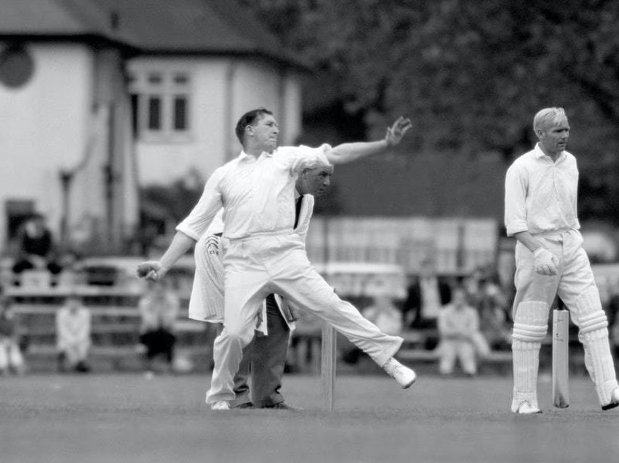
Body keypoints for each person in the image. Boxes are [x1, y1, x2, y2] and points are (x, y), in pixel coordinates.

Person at [138, 108, 416, 410]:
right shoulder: (224, 175)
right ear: (249, 130)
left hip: (285, 254)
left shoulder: (287, 158)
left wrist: (383, 144)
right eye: (268, 124)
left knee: (334, 307)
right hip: (242, 260)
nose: (276, 129)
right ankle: (220, 397)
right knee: (232, 334)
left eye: (276, 125)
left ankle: (390, 362)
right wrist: (163, 264)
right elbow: (193, 225)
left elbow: (335, 154)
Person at [189, 164, 333, 409]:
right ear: (302, 172)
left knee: (279, 318)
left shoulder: (306, 201)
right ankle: (234, 396)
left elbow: (295, 243)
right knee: (240, 321)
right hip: (225, 248)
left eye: (330, 175)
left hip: (264, 255)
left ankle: (268, 397)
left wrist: (290, 290)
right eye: (322, 174)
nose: (327, 182)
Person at [504, 107, 619, 413]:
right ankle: (524, 398)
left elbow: (567, 213)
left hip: (571, 244)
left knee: (594, 318)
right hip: (535, 249)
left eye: (567, 129)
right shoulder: (521, 168)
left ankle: (609, 390)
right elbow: (514, 223)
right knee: (529, 327)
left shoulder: (571, 163)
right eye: (557, 131)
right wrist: (538, 250)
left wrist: (567, 246)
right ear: (539, 133)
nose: (565, 136)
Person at [437, 286, 488, 376]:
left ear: (465, 299)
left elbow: (473, 330)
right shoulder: (444, 311)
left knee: (468, 359)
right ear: (452, 298)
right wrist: (460, 331)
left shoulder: (472, 312)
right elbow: (443, 331)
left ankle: (470, 373)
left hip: (466, 341)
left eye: (461, 298)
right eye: (457, 297)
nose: (459, 300)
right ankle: (445, 372)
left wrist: (456, 332)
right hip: (449, 341)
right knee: (446, 361)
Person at [402, 257, 452, 348]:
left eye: (430, 268)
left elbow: (448, 304)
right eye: (425, 268)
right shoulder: (413, 288)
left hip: (439, 318)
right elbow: (408, 307)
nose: (427, 271)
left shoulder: (444, 287)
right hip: (421, 320)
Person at [137, 280, 180, 374]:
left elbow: (168, 323)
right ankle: (150, 367)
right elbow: (151, 324)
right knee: (153, 336)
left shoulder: (172, 301)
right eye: (156, 290)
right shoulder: (145, 303)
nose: (159, 292)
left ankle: (167, 367)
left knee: (167, 337)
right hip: (149, 333)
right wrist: (156, 307)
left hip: (167, 333)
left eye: (161, 289)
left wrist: (162, 308)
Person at [11, 213, 62, 285]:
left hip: (44, 260)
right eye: (36, 221)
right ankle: (17, 289)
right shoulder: (25, 234)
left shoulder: (48, 234)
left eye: (40, 221)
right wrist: (32, 258)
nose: (38, 223)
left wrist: (45, 260)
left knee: (56, 267)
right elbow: (20, 250)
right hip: (29, 260)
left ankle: (53, 289)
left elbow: (52, 250)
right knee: (17, 267)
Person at [56, 293, 91, 372]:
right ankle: (77, 364)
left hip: (82, 339)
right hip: (65, 339)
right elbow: (62, 330)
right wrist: (72, 339)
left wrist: (78, 339)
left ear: (80, 303)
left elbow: (85, 329)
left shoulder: (85, 312)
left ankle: (78, 363)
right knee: (68, 345)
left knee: (83, 345)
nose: (73, 305)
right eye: (71, 302)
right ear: (66, 303)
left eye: (75, 303)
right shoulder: (61, 313)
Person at [0, 296, 26, 376]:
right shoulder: (1, 315)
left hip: (11, 339)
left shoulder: (14, 316)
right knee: (1, 350)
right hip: (2, 339)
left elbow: (16, 330)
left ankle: (18, 368)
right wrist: (2, 338)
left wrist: (13, 340)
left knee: (14, 349)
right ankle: (4, 369)